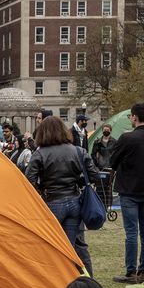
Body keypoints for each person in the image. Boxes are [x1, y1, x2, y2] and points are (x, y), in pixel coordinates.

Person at [26, 116, 99, 274]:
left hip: (52, 201)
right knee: (73, 246)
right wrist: (77, 182)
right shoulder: (78, 151)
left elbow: (28, 180)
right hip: (74, 201)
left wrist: (41, 190)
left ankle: (56, 279)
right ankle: (82, 279)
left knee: (51, 245)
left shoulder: (40, 154)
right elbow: (94, 175)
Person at [109, 102, 144, 284]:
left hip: (129, 190)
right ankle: (143, 271)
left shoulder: (126, 138)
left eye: (130, 116)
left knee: (131, 232)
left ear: (134, 117)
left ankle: (131, 271)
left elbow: (113, 161)